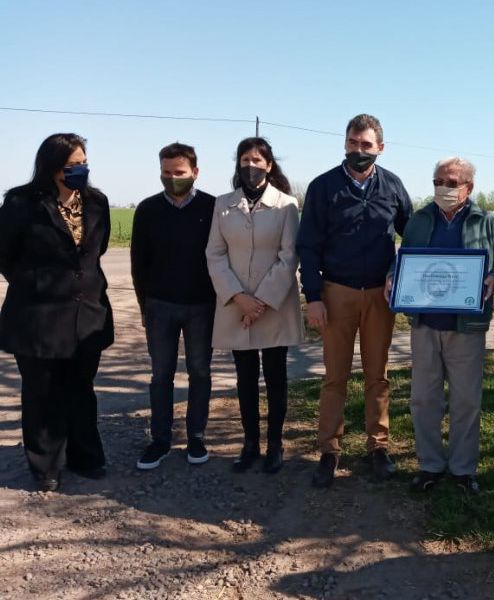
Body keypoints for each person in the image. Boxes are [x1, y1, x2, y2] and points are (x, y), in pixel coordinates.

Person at [388, 157, 494, 493]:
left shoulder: (486, 221)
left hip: (467, 329)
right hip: (425, 325)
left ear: (468, 188)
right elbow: (403, 260)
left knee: (465, 401)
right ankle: (430, 465)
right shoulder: (419, 220)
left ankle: (462, 470)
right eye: (437, 181)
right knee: (423, 399)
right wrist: (393, 277)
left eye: (451, 182)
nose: (443, 188)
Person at [297, 114, 413, 488]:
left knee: (377, 377)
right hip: (336, 294)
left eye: (365, 145)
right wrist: (313, 297)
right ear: (344, 143)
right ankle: (329, 451)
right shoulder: (323, 187)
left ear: (380, 147)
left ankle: (377, 447)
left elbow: (412, 236)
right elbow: (308, 246)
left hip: (380, 295)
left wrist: (401, 277)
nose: (358, 151)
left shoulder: (393, 186)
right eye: (352, 143)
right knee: (335, 377)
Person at [0, 133, 114, 491]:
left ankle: (86, 457)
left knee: (81, 389)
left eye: (83, 163)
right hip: (38, 317)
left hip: (87, 315)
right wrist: (36, 282)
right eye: (71, 165)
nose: (80, 170)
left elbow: (97, 251)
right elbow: (4, 255)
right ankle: (46, 465)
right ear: (51, 167)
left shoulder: (96, 202)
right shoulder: (21, 203)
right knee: (42, 391)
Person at [206, 137, 302, 474]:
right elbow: (215, 254)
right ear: (238, 164)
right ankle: (250, 443)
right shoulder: (222, 204)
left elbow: (290, 255)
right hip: (236, 304)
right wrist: (239, 297)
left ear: (269, 165)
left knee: (276, 377)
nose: (252, 165)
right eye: (246, 159)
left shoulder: (287, 205)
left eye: (258, 160)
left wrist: (260, 300)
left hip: (273, 305)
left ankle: (275, 444)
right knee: (244, 378)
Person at [131, 143, 217, 470]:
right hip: (159, 306)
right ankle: (160, 439)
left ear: (194, 172)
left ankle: (196, 436)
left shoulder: (212, 208)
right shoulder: (147, 209)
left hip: (202, 306)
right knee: (161, 374)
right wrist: (143, 305)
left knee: (200, 371)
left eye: (179, 173)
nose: (172, 178)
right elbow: (139, 262)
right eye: (166, 173)